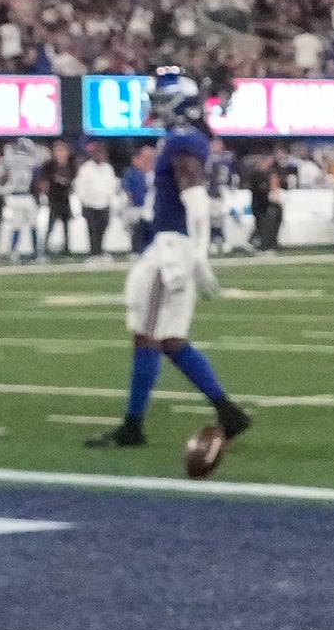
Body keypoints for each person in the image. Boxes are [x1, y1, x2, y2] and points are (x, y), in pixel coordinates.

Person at [85, 68, 254, 466]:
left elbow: (195, 201)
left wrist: (199, 258)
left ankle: (138, 424)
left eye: (159, 99)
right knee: (163, 338)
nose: (152, 106)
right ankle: (226, 413)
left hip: (172, 249)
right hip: (172, 246)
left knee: (153, 336)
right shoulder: (184, 140)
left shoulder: (183, 141)